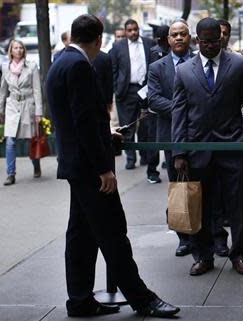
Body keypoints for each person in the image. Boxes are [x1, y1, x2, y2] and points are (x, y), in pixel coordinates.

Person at [45, 14, 179, 318]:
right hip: (90, 168)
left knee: (80, 235)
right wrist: (104, 168)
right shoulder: (79, 66)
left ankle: (79, 300)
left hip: (76, 164)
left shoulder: (59, 62)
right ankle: (142, 299)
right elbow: (83, 121)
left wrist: (104, 134)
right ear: (98, 39)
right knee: (112, 232)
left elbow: (74, 118)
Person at [171, 17, 243, 276]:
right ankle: (203, 256)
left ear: (221, 39)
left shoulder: (240, 64)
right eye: (206, 41)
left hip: (233, 147)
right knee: (201, 207)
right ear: (198, 41)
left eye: (215, 40)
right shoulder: (185, 71)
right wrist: (179, 152)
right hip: (198, 150)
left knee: (237, 207)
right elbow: (180, 113)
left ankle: (240, 255)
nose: (211, 46)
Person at [148, 19, 194, 257]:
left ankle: (215, 236)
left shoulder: (200, 62)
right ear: (168, 40)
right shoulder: (157, 67)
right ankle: (184, 239)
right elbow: (154, 100)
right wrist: (183, 108)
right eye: (174, 34)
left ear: (190, 37)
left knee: (206, 185)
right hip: (171, 135)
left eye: (183, 34)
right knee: (178, 187)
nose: (178, 38)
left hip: (200, 134)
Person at [110, 19, 161, 184]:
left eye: (135, 29)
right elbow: (113, 69)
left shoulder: (148, 43)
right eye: (129, 30)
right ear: (125, 32)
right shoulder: (118, 47)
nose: (133, 32)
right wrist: (117, 89)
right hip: (127, 90)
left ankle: (145, 156)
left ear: (138, 29)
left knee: (146, 125)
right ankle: (130, 158)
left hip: (146, 89)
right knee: (128, 125)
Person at [0, 39, 43, 186]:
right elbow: (3, 91)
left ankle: (36, 165)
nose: (19, 50)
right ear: (11, 50)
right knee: (10, 141)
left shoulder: (32, 66)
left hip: (28, 106)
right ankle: (11, 174)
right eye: (16, 48)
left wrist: (39, 112)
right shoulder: (5, 67)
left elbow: (37, 90)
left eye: (21, 48)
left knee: (31, 139)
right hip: (12, 106)